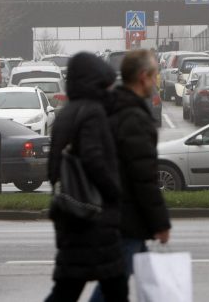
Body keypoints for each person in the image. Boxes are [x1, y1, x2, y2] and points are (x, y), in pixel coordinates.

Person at [89, 50, 171, 302]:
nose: (157, 80)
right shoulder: (133, 118)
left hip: (110, 213)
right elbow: (144, 178)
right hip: (125, 220)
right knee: (111, 287)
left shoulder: (112, 108)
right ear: (144, 77)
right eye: (155, 74)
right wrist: (160, 223)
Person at [45, 52, 127, 302]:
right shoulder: (93, 112)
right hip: (94, 216)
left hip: (71, 213)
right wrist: (114, 192)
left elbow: (53, 167)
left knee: (69, 287)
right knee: (114, 288)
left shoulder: (66, 114)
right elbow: (93, 159)